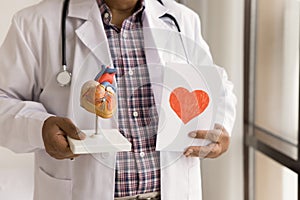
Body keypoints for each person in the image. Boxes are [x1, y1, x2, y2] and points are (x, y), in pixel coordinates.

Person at [0, 0, 236, 199]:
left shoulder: (182, 20)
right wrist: (39, 128)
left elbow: (218, 87)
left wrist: (220, 125)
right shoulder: (35, 24)